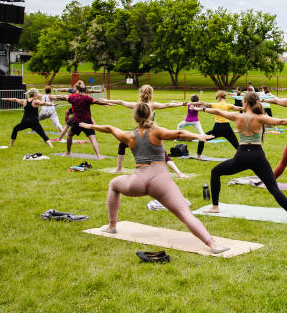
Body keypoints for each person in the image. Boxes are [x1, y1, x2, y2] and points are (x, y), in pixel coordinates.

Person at [78, 104, 229, 254]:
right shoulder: (156, 132)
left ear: (135, 117)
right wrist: (198, 136)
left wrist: (90, 126)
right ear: (150, 115)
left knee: (114, 184)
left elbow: (110, 128)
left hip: (138, 182)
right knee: (185, 213)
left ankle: (112, 226)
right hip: (160, 180)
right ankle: (213, 244)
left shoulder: (129, 135)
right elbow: (179, 133)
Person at [202, 92, 287, 223]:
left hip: (242, 155)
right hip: (257, 155)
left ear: (245, 103)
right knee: (273, 187)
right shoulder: (260, 117)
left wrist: (203, 108)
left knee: (215, 172)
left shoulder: (236, 116)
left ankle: (215, 206)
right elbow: (281, 121)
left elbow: (218, 111)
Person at [107, 85, 187, 178]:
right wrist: (182, 104)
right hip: (151, 132)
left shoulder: (136, 105)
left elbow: (120, 102)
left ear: (140, 93)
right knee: (163, 154)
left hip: (139, 132)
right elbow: (168, 105)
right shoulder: (152, 105)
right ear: (151, 95)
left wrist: (105, 101)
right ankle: (179, 173)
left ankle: (118, 169)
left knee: (122, 144)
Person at [48, 80, 113, 159]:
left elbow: (64, 97)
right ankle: (99, 156)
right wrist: (107, 103)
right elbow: (96, 101)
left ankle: (68, 153)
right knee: (93, 139)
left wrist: (54, 97)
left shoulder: (73, 97)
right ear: (85, 91)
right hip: (87, 121)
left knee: (69, 135)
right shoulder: (87, 98)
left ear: (77, 90)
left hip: (77, 122)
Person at [188, 90, 241, 157]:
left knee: (202, 138)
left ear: (219, 97)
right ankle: (245, 157)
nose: (216, 99)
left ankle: (198, 156)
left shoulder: (214, 105)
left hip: (217, 128)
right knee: (237, 146)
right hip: (227, 128)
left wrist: (191, 103)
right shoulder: (228, 105)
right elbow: (239, 108)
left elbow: (202, 103)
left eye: (216, 97)